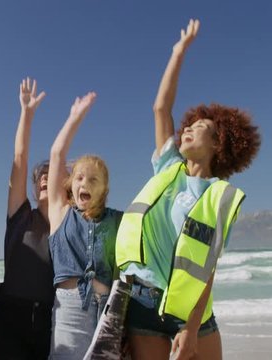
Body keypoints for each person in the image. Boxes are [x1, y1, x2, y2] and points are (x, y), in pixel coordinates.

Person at [116, 19, 261, 360]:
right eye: (188, 126)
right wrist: (178, 52)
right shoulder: (168, 167)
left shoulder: (217, 195)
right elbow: (160, 108)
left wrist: (192, 328)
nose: (188, 131)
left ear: (217, 144)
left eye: (200, 128)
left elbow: (207, 267)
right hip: (143, 301)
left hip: (191, 310)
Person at [47, 92, 123, 359]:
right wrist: (74, 117)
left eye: (93, 180)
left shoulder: (118, 220)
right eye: (79, 177)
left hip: (109, 312)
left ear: (104, 189)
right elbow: (56, 155)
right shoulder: (61, 213)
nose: (85, 184)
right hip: (70, 310)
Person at [0, 78, 54, 359]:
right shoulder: (21, 217)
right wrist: (26, 114)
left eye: (52, 177)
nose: (44, 179)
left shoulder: (70, 226)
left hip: (52, 320)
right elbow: (19, 158)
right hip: (11, 316)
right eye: (40, 177)